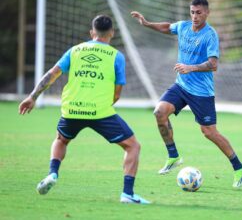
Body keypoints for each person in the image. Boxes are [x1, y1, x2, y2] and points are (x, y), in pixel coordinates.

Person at [18, 15, 150, 204]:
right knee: (133, 146)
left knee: (61, 139)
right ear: (112, 33)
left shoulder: (75, 51)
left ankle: (52, 174)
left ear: (92, 33)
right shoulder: (116, 56)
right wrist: (102, 105)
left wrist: (32, 96)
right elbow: (117, 92)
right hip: (100, 112)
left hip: (71, 110)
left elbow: (52, 74)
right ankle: (127, 194)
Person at [131, 0, 242, 188]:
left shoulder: (210, 35)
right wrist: (146, 23)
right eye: (192, 12)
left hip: (201, 92)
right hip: (181, 86)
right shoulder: (184, 26)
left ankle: (239, 168)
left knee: (209, 132)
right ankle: (173, 156)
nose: (195, 16)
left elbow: (214, 64)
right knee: (159, 112)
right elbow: (167, 27)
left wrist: (190, 67)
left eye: (199, 12)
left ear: (207, 13)